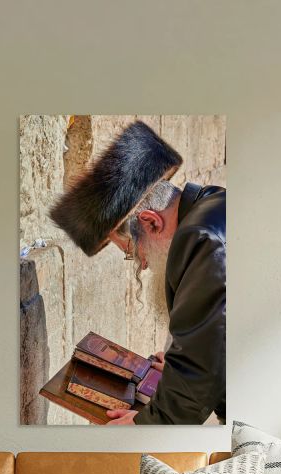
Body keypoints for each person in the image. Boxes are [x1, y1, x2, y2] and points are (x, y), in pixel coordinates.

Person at [50, 121, 225, 425]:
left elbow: (200, 368)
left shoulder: (199, 239)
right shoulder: (212, 205)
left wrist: (140, 425)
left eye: (132, 251)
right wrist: (178, 369)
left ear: (151, 222)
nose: (142, 264)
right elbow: (214, 341)